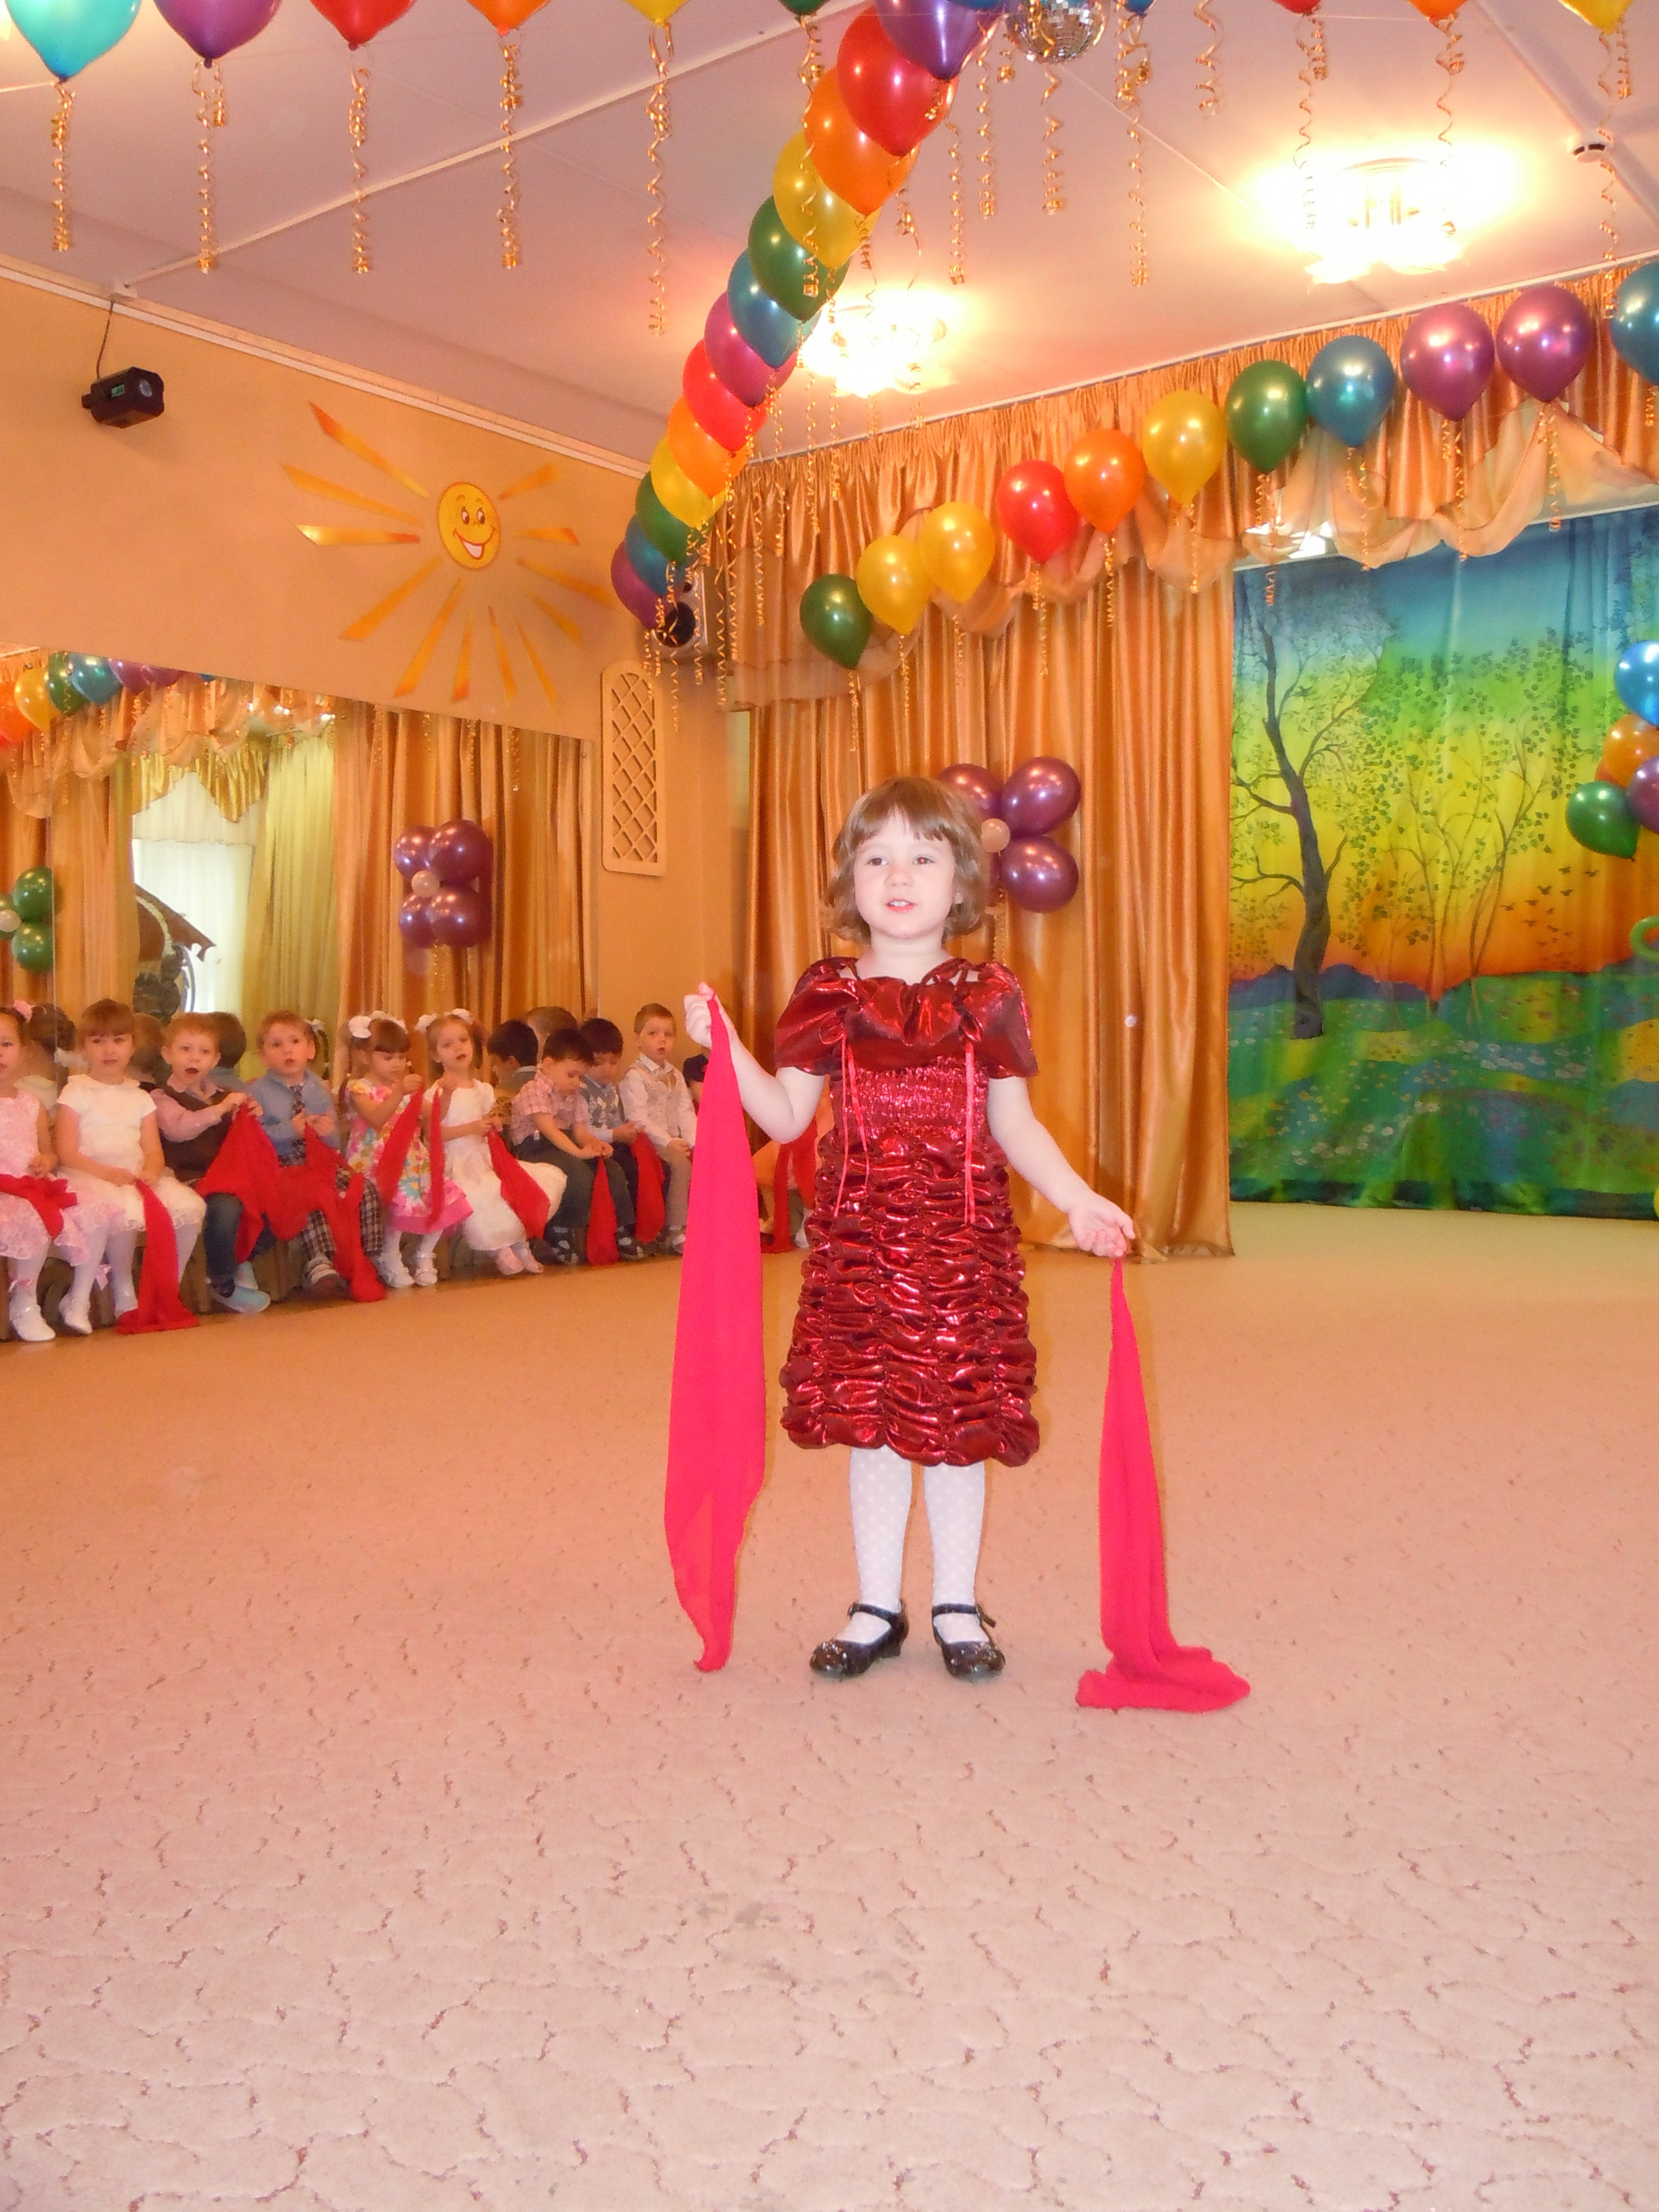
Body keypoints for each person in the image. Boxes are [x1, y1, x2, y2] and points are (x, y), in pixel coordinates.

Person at [685, 775, 1134, 1684]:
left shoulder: (986, 992)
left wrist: (1077, 1197)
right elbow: (785, 1117)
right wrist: (724, 1045)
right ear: (848, 879)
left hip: (960, 1249)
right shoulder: (829, 992)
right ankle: (876, 1605)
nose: (898, 876)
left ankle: (956, 1603)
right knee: (876, 1427)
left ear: (961, 880)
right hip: (860, 1246)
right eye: (877, 857)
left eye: (923, 858)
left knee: (954, 1425)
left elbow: (1015, 1125)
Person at [54, 998, 207, 1325]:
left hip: (133, 1173)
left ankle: (168, 1290)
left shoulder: (140, 1097)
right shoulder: (75, 1093)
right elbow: (67, 1152)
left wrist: (152, 1170)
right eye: (98, 1041)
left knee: (190, 1207)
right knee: (119, 1210)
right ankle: (117, 1290)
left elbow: (152, 1150)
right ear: (84, 1047)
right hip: (89, 1173)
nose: (109, 1050)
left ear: (132, 1045)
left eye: (118, 1040)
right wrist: (107, 1174)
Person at [246, 1010, 384, 1300]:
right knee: (310, 1193)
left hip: (320, 1158)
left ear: (310, 1049)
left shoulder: (318, 1088)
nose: (287, 1050)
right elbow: (254, 1139)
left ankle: (366, 1255)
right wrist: (290, 1130)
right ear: (263, 1056)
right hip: (282, 1162)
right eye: (277, 1045)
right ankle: (319, 1260)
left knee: (364, 1189)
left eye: (295, 1042)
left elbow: (333, 1141)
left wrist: (326, 1132)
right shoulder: (258, 1091)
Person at [418, 1011, 564, 1280]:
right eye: (448, 1045)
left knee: (521, 1183)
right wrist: (471, 1129)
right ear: (436, 1056)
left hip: (485, 1157)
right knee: (485, 1191)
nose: (458, 1048)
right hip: (456, 1163)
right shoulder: (437, 1092)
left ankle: (519, 1244)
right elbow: (433, 1135)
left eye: (463, 1040)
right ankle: (499, 1249)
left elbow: (488, 1120)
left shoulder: (483, 1089)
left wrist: (492, 1124)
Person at [0, 1004, 109, 1343]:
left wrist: (45, 1162)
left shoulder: (31, 1104)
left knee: (96, 1210)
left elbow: (47, 1150)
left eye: (6, 1044)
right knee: (32, 1216)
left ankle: (78, 1299)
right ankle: (24, 1302)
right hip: (6, 1193)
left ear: (24, 1051)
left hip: (34, 1185)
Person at [153, 1012, 269, 1315]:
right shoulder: (161, 1097)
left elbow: (240, 1135)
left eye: (204, 1052)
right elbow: (178, 1129)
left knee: (276, 1198)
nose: (195, 1058)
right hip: (189, 1178)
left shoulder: (224, 1095)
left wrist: (249, 1114)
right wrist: (220, 1111)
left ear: (215, 1060)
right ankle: (221, 1280)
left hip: (229, 1176)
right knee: (226, 1206)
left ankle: (241, 1257)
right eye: (186, 1049)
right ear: (167, 1054)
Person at [339, 1013, 466, 1289]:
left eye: (401, 1057)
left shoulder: (405, 1089)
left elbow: (433, 1116)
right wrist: (399, 1093)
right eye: (388, 1058)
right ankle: (390, 1255)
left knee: (443, 1191)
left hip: (412, 1159)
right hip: (376, 1162)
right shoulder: (358, 1088)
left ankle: (424, 1255)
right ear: (364, 1056)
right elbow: (376, 1119)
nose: (397, 1064)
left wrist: (445, 1094)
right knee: (402, 1193)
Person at [510, 1028, 645, 1264]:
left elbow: (581, 1133)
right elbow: (550, 1130)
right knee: (578, 1174)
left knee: (612, 1169)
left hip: (566, 1145)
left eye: (581, 1077)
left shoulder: (575, 1096)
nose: (576, 1083)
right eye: (572, 1075)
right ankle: (559, 1230)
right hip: (536, 1148)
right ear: (548, 1064)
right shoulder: (533, 1090)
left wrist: (596, 1146)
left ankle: (619, 1228)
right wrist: (579, 1153)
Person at [621, 1003, 697, 1258]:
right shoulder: (635, 1076)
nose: (661, 1040)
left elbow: (685, 1111)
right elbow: (638, 1118)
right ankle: (676, 1228)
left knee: (704, 1159)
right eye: (653, 1033)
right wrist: (669, 1141)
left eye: (668, 1034)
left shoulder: (675, 1074)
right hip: (649, 1142)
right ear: (638, 1040)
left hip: (675, 1139)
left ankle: (705, 1223)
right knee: (681, 1165)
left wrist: (694, 1141)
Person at [486, 1020, 540, 1097]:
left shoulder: (504, 1091)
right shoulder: (552, 1083)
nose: (493, 1070)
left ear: (511, 1062)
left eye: (494, 1063)